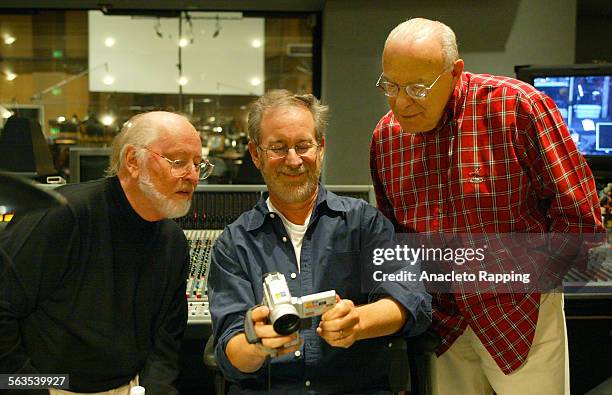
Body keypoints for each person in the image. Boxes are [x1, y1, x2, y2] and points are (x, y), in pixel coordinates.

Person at [370, 18, 605, 395]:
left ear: (455, 72)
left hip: (521, 314)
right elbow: (395, 238)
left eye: (416, 88)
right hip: (443, 323)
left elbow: (578, 217)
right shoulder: (387, 137)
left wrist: (532, 285)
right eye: (391, 86)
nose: (401, 103)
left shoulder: (518, 108)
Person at [208, 89, 431, 394]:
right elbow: (229, 353)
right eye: (278, 147)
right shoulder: (234, 243)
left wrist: (358, 321)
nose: (293, 159)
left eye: (303, 146)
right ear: (256, 154)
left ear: (321, 149)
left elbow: (412, 301)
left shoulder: (363, 223)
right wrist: (258, 344)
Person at [0, 111, 214, 394]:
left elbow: (167, 340)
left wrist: (155, 389)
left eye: (199, 164)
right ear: (133, 161)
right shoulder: (61, 214)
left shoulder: (172, 241)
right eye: (179, 162)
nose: (193, 176)